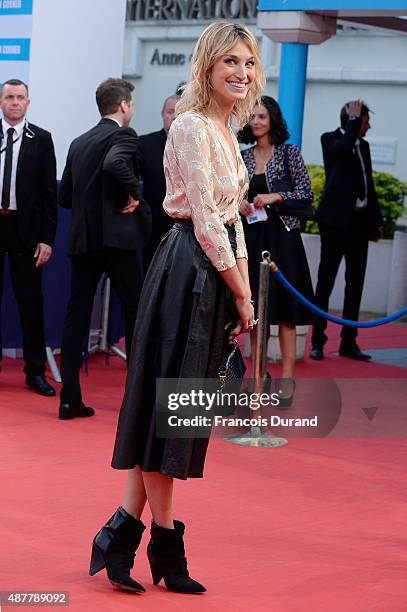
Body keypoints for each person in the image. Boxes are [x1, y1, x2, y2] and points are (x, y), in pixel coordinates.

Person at [89, 22, 264, 595]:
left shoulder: (226, 127)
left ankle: (120, 535)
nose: (240, 73)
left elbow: (234, 217)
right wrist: (240, 289)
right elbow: (209, 221)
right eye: (228, 64)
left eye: (247, 63)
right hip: (188, 269)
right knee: (173, 414)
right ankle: (165, 546)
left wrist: (242, 292)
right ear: (207, 68)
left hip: (213, 274)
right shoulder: (189, 125)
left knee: (176, 413)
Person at [58, 78, 151, 420]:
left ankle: (69, 398)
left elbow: (64, 196)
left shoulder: (79, 142)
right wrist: (133, 193)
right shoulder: (124, 135)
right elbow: (115, 164)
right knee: (135, 314)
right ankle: (137, 403)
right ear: (124, 105)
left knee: (76, 316)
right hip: (118, 240)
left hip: (83, 241)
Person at [238, 96, 314, 405]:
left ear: (273, 121)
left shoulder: (288, 153)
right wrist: (239, 203)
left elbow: (306, 195)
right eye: (252, 117)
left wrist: (276, 197)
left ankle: (287, 380)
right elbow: (232, 194)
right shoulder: (241, 156)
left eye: (262, 117)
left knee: (285, 315)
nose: (256, 121)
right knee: (256, 314)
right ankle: (257, 376)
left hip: (283, 240)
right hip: (252, 239)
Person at [310, 100, 383, 361]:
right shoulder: (330, 139)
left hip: (359, 224)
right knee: (326, 281)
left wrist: (376, 221)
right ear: (352, 119)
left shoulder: (363, 145)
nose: (369, 126)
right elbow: (340, 152)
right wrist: (352, 123)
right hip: (334, 223)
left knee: (356, 284)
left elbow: (368, 183)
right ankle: (317, 341)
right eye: (365, 121)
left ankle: (348, 342)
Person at [0, 79, 57, 396]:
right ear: (1, 101)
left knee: (30, 304)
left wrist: (46, 239)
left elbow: (50, 195)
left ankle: (35, 371)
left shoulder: (42, 139)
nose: (14, 102)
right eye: (9, 97)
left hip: (27, 232)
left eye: (20, 97)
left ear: (28, 103)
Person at [137, 94, 179, 270]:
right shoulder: (145, 143)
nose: (175, 117)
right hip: (153, 226)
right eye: (170, 112)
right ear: (163, 115)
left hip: (185, 227)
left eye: (180, 113)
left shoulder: (197, 146)